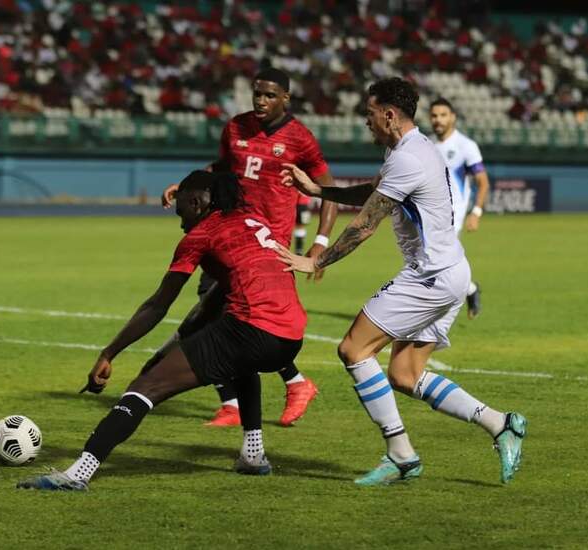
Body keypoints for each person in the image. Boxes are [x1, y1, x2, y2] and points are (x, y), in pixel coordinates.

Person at [278, 77, 527, 486]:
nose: (366, 123)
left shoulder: (407, 158)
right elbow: (374, 193)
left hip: (429, 277)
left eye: (370, 115)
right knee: (405, 375)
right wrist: (319, 189)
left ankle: (401, 454)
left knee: (353, 349)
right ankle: (502, 425)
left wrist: (317, 260)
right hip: (451, 272)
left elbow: (365, 225)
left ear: (389, 114)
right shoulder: (415, 149)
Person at [17, 170, 306, 491]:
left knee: (145, 386)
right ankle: (253, 455)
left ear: (196, 203)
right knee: (240, 362)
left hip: (252, 329)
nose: (181, 223)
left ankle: (77, 474)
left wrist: (109, 352)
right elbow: (214, 301)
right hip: (291, 337)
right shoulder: (251, 219)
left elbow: (157, 306)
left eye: (182, 212)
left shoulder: (201, 235)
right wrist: (183, 340)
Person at [158, 68, 338, 428]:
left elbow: (327, 189)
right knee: (217, 317)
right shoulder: (235, 128)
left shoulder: (300, 138)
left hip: (269, 245)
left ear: (285, 98)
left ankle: (282, 389)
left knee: (233, 319)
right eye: (257, 93)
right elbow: (223, 168)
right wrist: (188, 185)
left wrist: (319, 246)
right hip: (227, 234)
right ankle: (241, 402)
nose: (260, 100)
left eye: (270, 95)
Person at [429, 97, 490, 318]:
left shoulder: (466, 146)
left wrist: (476, 212)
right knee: (435, 264)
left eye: (443, 115)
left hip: (453, 215)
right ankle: (470, 289)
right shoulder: (426, 144)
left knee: (435, 263)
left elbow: (482, 182)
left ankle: (433, 316)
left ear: (453, 117)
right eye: (434, 115)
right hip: (427, 215)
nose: (439, 120)